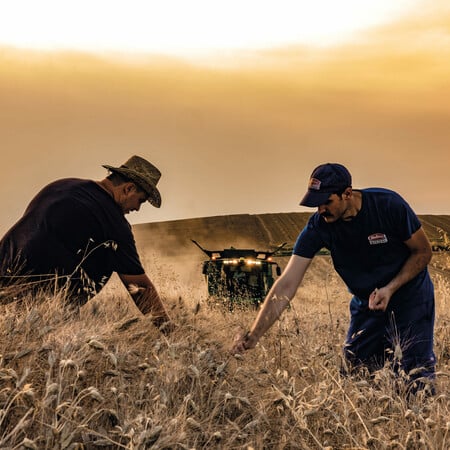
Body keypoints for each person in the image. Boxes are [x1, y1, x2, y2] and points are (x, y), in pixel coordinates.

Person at [231, 163, 436, 393]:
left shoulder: (388, 205)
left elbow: (423, 252)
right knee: (354, 375)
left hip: (411, 297)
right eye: (316, 203)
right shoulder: (319, 228)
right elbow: (286, 282)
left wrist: (390, 288)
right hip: (366, 302)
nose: (320, 210)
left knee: (414, 378)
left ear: (347, 194)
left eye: (326, 202)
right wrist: (254, 334)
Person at [0, 155, 173, 333]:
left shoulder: (61, 185)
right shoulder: (114, 224)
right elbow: (139, 288)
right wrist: (170, 331)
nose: (137, 208)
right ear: (129, 188)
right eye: (141, 201)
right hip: (36, 306)